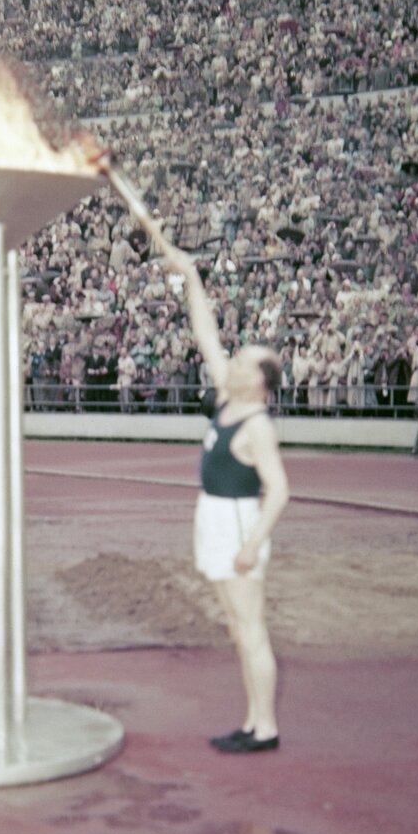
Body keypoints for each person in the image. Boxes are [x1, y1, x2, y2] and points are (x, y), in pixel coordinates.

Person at [158, 237, 290, 754]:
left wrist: (253, 543)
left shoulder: (257, 423)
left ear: (260, 381)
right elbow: (206, 334)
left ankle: (267, 727)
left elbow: (279, 490)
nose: (233, 361)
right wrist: (190, 278)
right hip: (213, 515)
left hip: (238, 521)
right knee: (236, 626)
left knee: (251, 627)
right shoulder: (227, 398)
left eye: (245, 361)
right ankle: (254, 720)